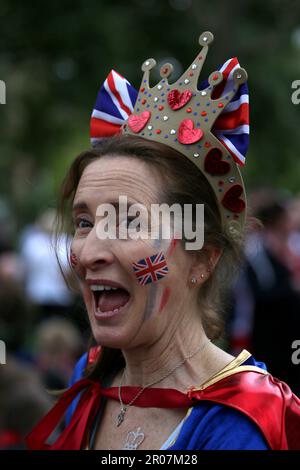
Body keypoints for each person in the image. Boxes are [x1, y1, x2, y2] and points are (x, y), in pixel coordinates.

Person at [26, 31, 300, 451]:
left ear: (203, 258)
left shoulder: (242, 421)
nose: (88, 253)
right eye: (83, 222)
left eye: (128, 221)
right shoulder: (93, 372)